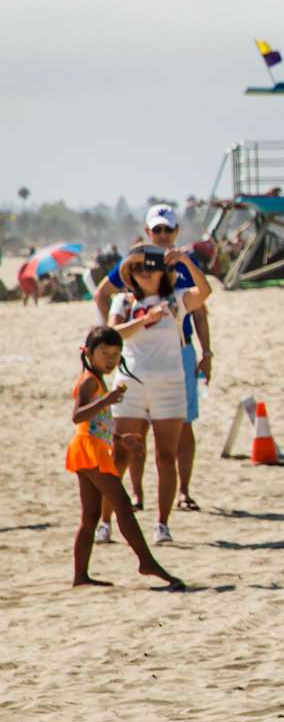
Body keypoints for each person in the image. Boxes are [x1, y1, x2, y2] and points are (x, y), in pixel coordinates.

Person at [94, 206, 212, 515]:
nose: (162, 235)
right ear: (148, 232)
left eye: (167, 230)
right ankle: (137, 493)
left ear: (176, 232)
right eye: (156, 230)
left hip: (180, 351)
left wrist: (207, 352)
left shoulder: (183, 263)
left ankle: (183, 492)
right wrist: (109, 342)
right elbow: (102, 293)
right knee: (135, 433)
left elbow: (200, 308)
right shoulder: (133, 264)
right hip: (136, 357)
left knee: (181, 427)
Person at [66, 325, 182, 590]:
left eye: (115, 353)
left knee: (91, 516)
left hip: (90, 448)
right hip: (89, 451)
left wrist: (120, 439)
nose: (110, 358)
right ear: (89, 353)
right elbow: (78, 415)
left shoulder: (97, 379)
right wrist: (106, 400)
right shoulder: (88, 381)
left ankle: (81, 576)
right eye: (104, 352)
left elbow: (96, 422)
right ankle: (147, 562)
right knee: (122, 503)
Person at [105, 244, 207, 543]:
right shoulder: (122, 302)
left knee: (166, 455)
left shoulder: (175, 300)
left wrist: (186, 260)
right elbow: (113, 334)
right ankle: (105, 522)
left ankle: (162, 524)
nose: (144, 273)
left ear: (162, 271)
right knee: (120, 454)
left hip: (169, 385)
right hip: (130, 384)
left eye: (150, 267)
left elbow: (205, 292)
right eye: (137, 268)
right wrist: (143, 320)